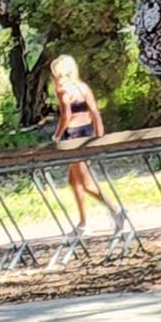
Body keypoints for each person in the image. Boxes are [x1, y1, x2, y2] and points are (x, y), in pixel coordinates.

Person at [48, 53, 107, 235]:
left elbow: (66, 116)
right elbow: (95, 112)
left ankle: (116, 209)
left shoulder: (64, 91)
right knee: (74, 182)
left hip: (72, 137)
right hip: (86, 133)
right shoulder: (83, 88)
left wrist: (56, 136)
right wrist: (99, 135)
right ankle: (83, 222)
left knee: (86, 183)